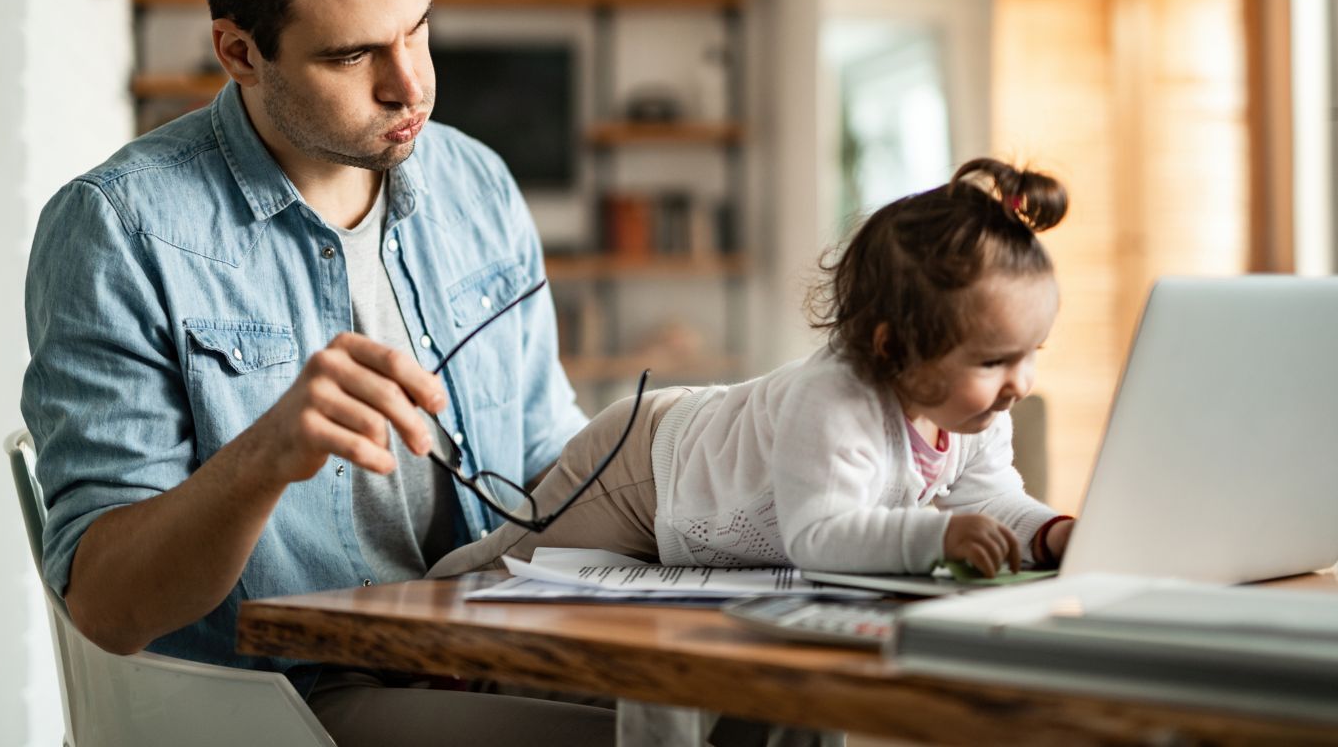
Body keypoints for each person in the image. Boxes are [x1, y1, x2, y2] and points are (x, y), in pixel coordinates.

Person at [21, 0, 616, 746]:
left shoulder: (478, 184)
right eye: (351, 57)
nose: (408, 83)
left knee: (748, 720)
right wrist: (261, 459)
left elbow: (546, 459)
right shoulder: (119, 229)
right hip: (280, 700)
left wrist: (684, 463)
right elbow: (106, 606)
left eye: (417, 28)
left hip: (491, 653)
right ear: (239, 51)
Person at [431, 158, 1077, 581]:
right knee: (508, 565)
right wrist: (938, 536)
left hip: (690, 512)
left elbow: (991, 498)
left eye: (1031, 355)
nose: (1020, 384)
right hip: (647, 469)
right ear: (892, 347)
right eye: (994, 361)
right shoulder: (836, 400)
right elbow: (820, 535)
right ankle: (412, 615)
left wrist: (1049, 534)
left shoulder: (974, 414)